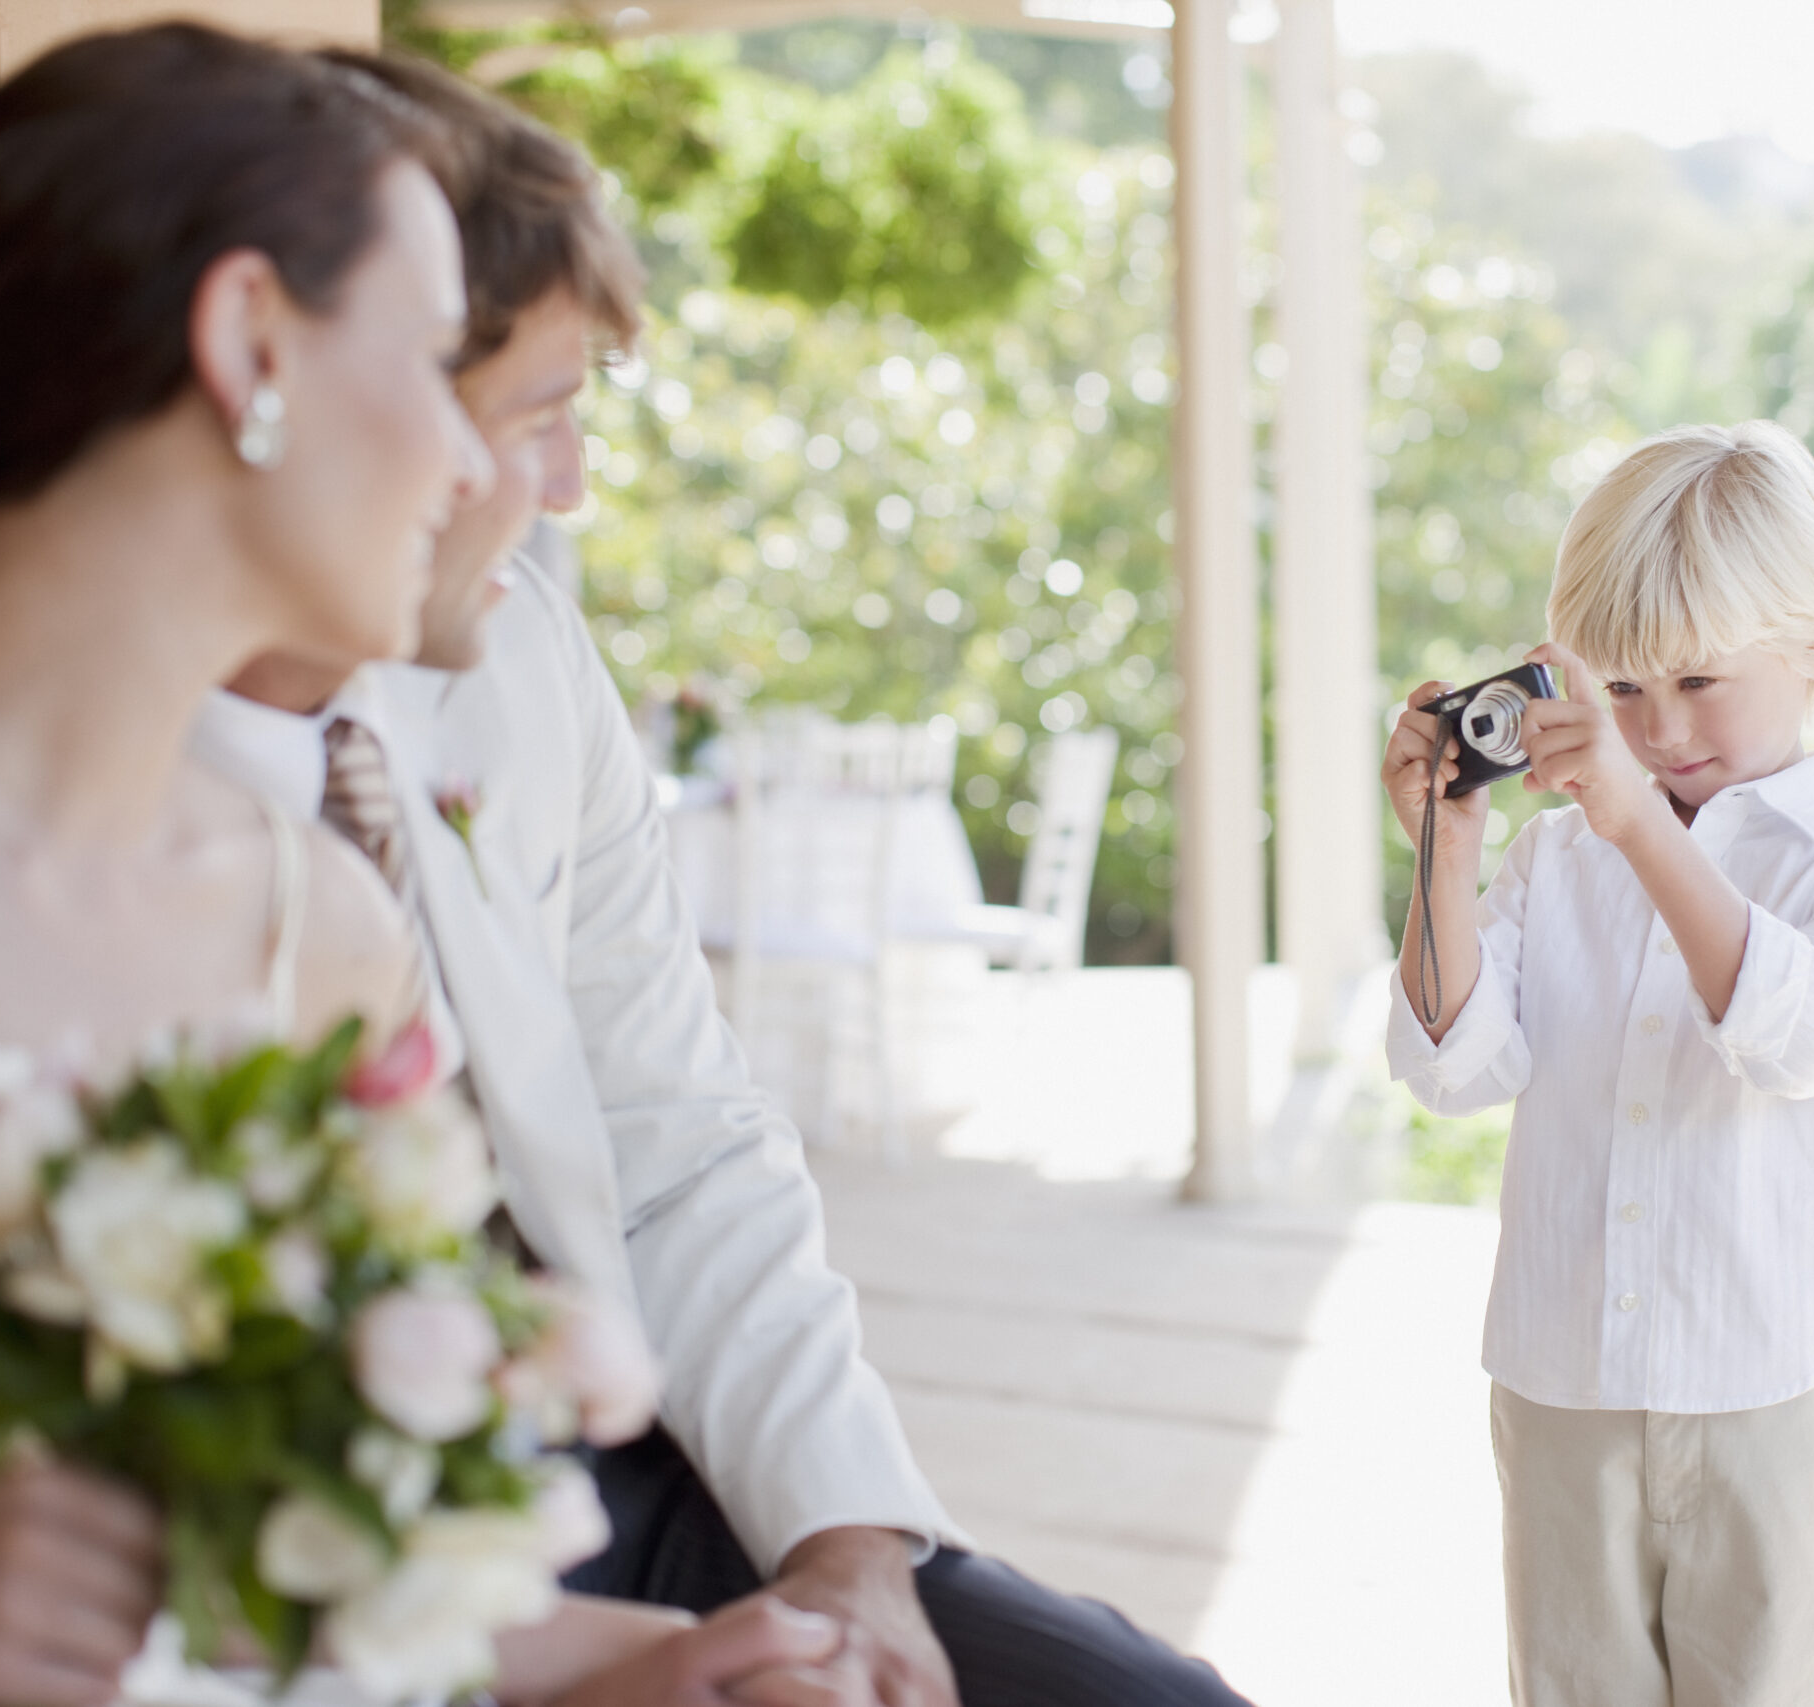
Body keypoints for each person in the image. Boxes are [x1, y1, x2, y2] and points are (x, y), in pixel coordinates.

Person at [195, 52, 1256, 1707]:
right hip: (289, 1562)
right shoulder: (76, 807)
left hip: (633, 1463)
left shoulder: (514, 648)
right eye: (538, 414)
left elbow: (678, 1133)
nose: (567, 493)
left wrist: (842, 1545)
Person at [0, 27, 864, 1707]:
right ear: (248, 342)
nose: (480, 460)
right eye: (433, 362)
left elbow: (316, 1583)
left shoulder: (320, 926)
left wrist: (657, 1669)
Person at [1383, 421, 1814, 1707]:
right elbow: (1453, 1068)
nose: (1659, 728)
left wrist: (1637, 828)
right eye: (1621, 691)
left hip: (1772, 1398)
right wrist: (1446, 854)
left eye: (1697, 683)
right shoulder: (1555, 859)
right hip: (1563, 1387)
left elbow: (1800, 1040)